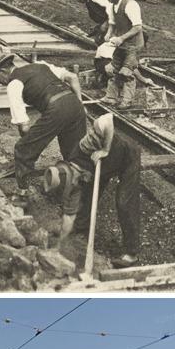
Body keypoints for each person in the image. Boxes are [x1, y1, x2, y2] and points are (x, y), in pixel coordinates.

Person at [43, 111, 141, 269]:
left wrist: (106, 150)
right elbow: (70, 211)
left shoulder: (92, 138)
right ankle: (81, 227)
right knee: (87, 193)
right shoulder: (74, 170)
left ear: (76, 173)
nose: (74, 185)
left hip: (126, 155)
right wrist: (59, 245)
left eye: (74, 181)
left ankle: (131, 253)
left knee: (124, 201)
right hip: (101, 166)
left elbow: (108, 118)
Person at [0, 51, 86, 189]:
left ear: (3, 71)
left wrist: (30, 143)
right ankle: (79, 189)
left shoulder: (14, 84)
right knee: (74, 152)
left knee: (22, 149)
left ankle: (23, 194)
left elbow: (24, 127)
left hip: (56, 108)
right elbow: (72, 77)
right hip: (75, 104)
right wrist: (80, 103)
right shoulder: (40, 65)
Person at [103, 0, 144, 108]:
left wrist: (121, 38)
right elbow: (112, 22)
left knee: (127, 73)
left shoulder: (130, 5)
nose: (108, 0)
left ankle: (127, 101)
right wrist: (109, 33)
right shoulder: (112, 6)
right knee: (112, 70)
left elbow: (137, 27)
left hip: (133, 45)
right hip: (121, 44)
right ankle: (111, 97)